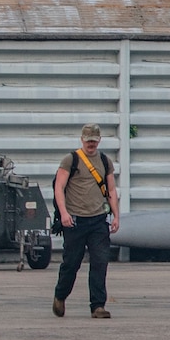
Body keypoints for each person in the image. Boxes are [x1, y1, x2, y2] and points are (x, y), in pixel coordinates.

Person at [52, 123, 120, 319]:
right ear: (82, 139)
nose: (91, 144)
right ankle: (60, 295)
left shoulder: (105, 161)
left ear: (99, 141)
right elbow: (59, 187)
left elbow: (112, 190)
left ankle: (97, 306)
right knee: (71, 263)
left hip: (99, 220)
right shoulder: (70, 160)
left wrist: (116, 216)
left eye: (94, 141)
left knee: (100, 262)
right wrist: (63, 213)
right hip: (75, 221)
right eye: (88, 140)